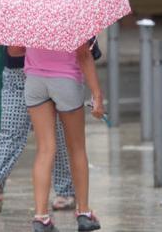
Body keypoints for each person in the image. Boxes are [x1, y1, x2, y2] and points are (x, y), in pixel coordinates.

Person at [0, 48, 77, 213]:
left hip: (51, 70)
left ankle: (66, 191)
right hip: (16, 72)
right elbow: (14, 51)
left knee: (55, 133)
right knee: (10, 131)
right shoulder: (14, 22)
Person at [10, 44, 105, 232]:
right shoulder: (73, 15)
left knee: (45, 149)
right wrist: (97, 95)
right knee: (76, 148)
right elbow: (84, 55)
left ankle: (41, 217)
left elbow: (13, 51)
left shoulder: (26, 16)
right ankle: (84, 213)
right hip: (66, 81)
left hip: (35, 82)